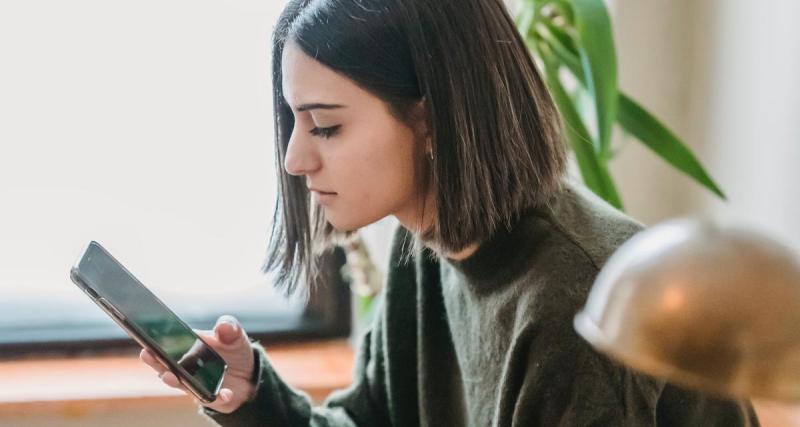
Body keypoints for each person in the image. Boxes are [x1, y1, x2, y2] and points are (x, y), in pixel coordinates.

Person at [140, 0, 760, 425]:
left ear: (432, 118)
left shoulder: (574, 303)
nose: (295, 161)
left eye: (325, 126)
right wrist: (254, 394)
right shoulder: (430, 248)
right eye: (294, 122)